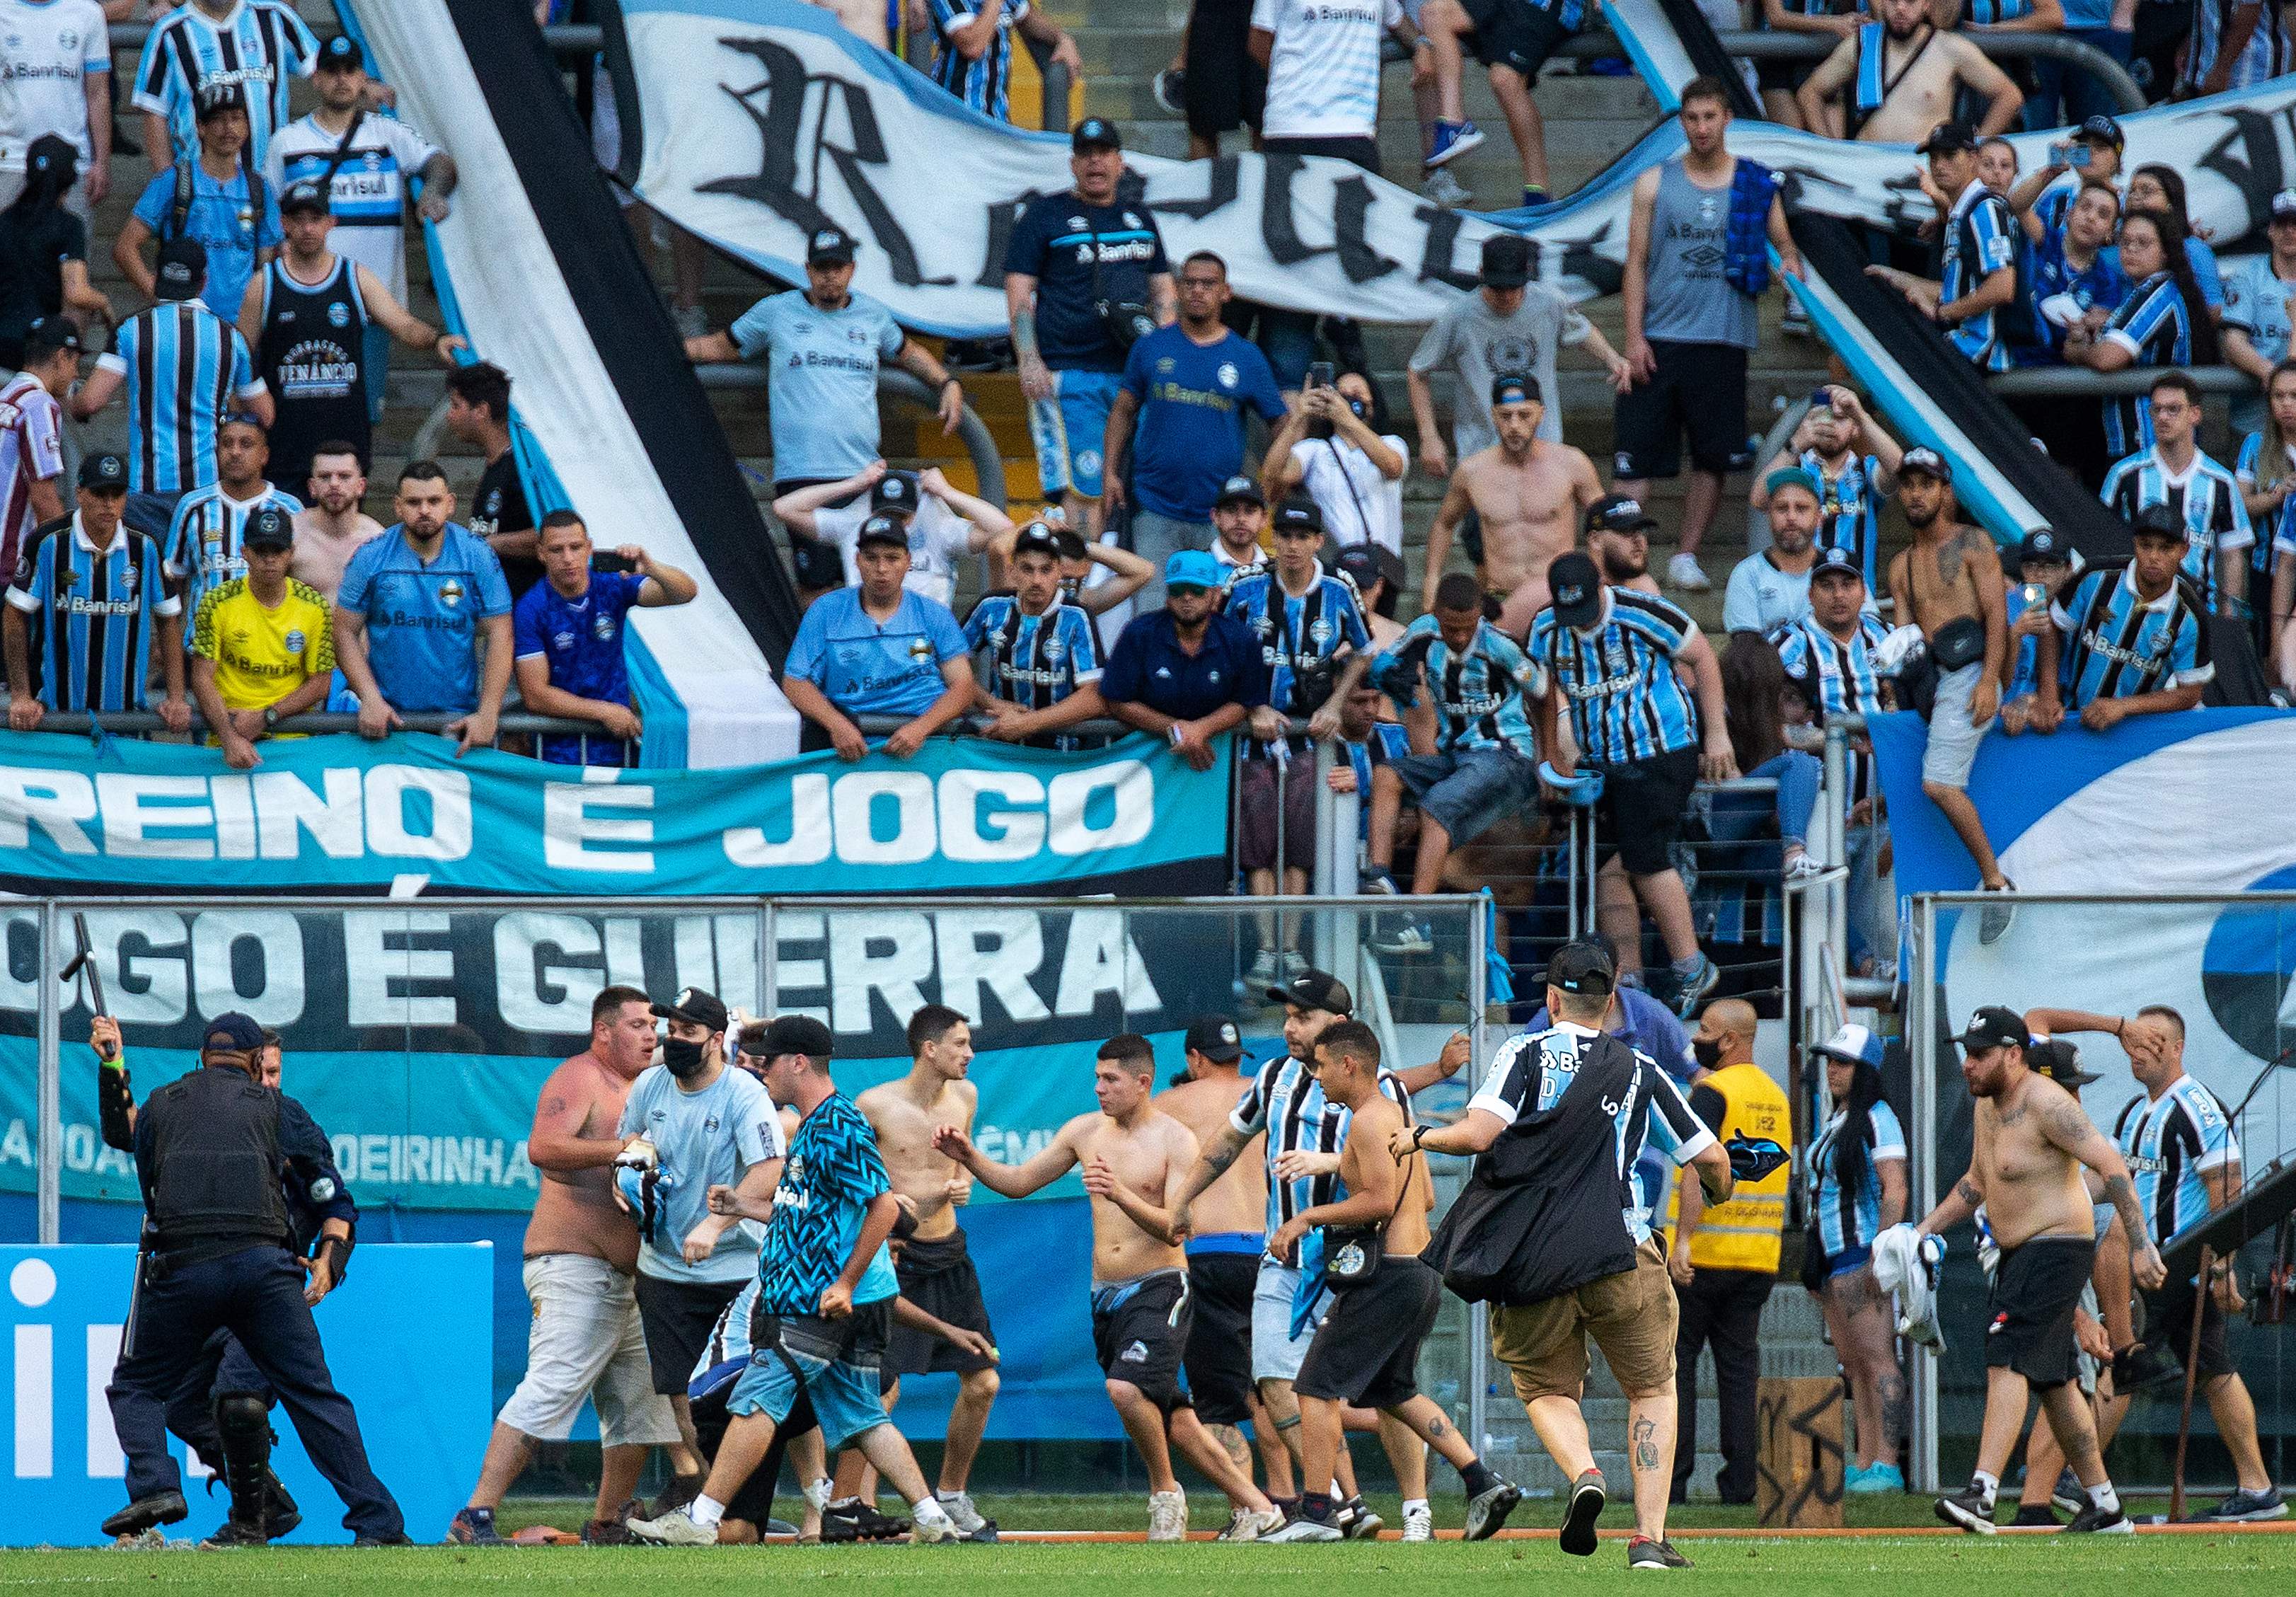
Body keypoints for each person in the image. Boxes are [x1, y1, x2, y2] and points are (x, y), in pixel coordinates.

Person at [1414, 938, 1734, 1569]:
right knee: (1651, 1389)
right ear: (1611, 999)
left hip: (1532, 1263)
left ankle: (1584, 1472)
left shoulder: (1521, 1054)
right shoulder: (1642, 1069)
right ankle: (1647, 1538)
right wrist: (1724, 1188)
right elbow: (1711, 1163)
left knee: (1544, 1388)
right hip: (1622, 1252)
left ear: (1552, 998)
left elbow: (1477, 1134)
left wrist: (1418, 1134)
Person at [624, 1018, 962, 1547]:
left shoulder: (837, 1123)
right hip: (813, 1296)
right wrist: (742, 1205)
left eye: (769, 1061)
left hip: (811, 1300)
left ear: (798, 1061)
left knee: (754, 1400)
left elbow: (882, 1206)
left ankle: (701, 1518)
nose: (760, 1071)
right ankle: (933, 1517)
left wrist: (847, 1282)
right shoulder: (812, 1123)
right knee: (863, 1417)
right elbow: (800, 1211)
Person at [934, 1036, 1283, 1541]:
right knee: (1176, 1418)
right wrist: (968, 1156)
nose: (1099, 1088)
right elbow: (1015, 1182)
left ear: (1142, 1083)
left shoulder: (1175, 1139)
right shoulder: (1084, 1131)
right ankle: (1259, 1507)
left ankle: (1165, 1495)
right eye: (1097, 1078)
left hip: (1162, 1286)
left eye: (1110, 1079)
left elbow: (1176, 1227)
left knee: (1124, 1388)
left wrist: (1118, 1193)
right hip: (1105, 1296)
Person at [99, 1011, 405, 1546]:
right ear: (254, 1061)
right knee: (312, 1397)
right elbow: (329, 1185)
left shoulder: (164, 1105)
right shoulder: (280, 1112)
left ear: (201, 1057)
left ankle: (157, 1485)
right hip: (264, 1272)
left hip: (186, 1267)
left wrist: (113, 1065)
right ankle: (364, 1520)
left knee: (142, 1385)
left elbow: (129, 1139)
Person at [1262, 1021, 1521, 1543]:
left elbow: (1380, 1201)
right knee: (1393, 1390)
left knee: (1313, 1386)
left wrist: (1306, 1217)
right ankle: (1481, 1479)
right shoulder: (1396, 1116)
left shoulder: (1365, 1120)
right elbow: (1422, 1197)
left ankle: (1316, 1511)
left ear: (1348, 1064)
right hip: (1417, 1271)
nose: (1314, 1077)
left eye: (1319, 1066)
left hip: (1389, 1275)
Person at [1170, 971, 1407, 1535]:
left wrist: (1330, 1170)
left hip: (1352, 1260)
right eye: (1287, 1016)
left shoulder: (1381, 1089)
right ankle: (1340, 1505)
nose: (1289, 1027)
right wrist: (1183, 1199)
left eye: (1303, 1016)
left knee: (1380, 1390)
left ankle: (1426, 1496)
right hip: (1282, 1258)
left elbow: (1399, 1174)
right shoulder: (1273, 1075)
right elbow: (1230, 1138)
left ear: (1341, 1028)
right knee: (1276, 1381)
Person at [1913, 1006, 2161, 1534]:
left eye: (1979, 1054)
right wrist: (1921, 1231)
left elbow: (2111, 1165)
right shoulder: (1986, 1105)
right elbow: (1977, 1181)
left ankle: (1981, 1491)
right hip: (2017, 1252)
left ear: (2013, 1054)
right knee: (2055, 1380)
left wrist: (2138, 1243)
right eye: (1966, 1053)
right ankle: (2104, 1503)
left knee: (2005, 1354)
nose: (1968, 1064)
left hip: (2057, 1246)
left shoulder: (2047, 1102)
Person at [450, 988, 683, 1545]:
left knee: (638, 1401)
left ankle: (610, 1519)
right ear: (603, 1031)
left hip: (630, 1278)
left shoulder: (650, 1088)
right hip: (573, 1266)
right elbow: (544, 1147)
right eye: (636, 1025)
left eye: (654, 1025)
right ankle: (475, 1514)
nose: (651, 1034)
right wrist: (619, 1149)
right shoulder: (581, 1077)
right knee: (550, 1386)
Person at [2087, 1003, 2288, 1521]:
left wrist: (2220, 1268)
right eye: (2133, 1040)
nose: (2139, 1050)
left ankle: (2077, 1479)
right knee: (2214, 1370)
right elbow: (2105, 1180)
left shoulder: (2197, 1106)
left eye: (2152, 1041)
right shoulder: (2134, 1111)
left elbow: (2228, 1192)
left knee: (2120, 1358)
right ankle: (2258, 1488)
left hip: (2174, 1265)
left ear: (2177, 1047)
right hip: (2148, 1267)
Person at [688, 226, 963, 599]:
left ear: (851, 269)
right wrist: (654, 341)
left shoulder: (873, 315)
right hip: (803, 474)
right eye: (821, 267)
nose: (829, 275)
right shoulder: (776, 311)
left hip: (863, 475)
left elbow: (909, 353)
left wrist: (946, 381)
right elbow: (718, 347)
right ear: (807, 269)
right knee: (815, 585)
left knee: (870, 577)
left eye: (837, 266)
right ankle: (821, 658)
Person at [1528, 538, 1736, 1016]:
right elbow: (1538, 690)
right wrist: (1549, 758)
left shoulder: (1641, 611)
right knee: (1609, 871)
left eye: (1585, 607)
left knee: (1643, 857)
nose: (1579, 620)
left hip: (1661, 748)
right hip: (1603, 761)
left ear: (1601, 586)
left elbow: (1702, 656)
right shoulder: (1545, 628)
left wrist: (1717, 734)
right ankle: (1633, 980)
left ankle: (1691, 967)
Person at [1616, 79, 1801, 593]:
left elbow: (1785, 246)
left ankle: (1685, 554)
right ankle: (1617, 554)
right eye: (1691, 118)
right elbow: (1632, 263)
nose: (1700, 128)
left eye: (1709, 117)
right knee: (1635, 454)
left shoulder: (1754, 184)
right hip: (1659, 335)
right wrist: (1633, 337)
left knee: (1711, 456)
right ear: (1681, 122)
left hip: (1722, 336)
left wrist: (1788, 266)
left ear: (1726, 119)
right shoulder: (1654, 182)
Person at [618, 988, 783, 1490]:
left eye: (687, 1032)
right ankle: (714, 1506)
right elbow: (629, 1144)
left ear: (715, 1040)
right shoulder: (650, 1084)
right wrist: (625, 1181)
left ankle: (813, 1504)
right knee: (681, 1396)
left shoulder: (743, 1092)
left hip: (738, 1271)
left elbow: (769, 1166)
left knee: (756, 1391)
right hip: (664, 1269)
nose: (673, 1041)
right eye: (670, 1030)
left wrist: (715, 1224)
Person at [855, 1006, 1003, 1540]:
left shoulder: (965, 1096)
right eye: (961, 1043)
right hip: (895, 1259)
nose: (969, 1053)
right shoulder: (873, 1105)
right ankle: (860, 1507)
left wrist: (959, 1181)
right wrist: (889, 1229)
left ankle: (952, 1494)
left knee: (983, 1378)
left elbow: (955, 1163)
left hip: (950, 1253)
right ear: (929, 1048)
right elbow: (858, 1189)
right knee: (881, 1389)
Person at [267, 35, 457, 427]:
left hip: (375, 308)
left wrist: (432, 193)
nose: (341, 80)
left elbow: (439, 162)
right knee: (301, 418)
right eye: (331, 71)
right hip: (305, 304)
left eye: (350, 71)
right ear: (316, 78)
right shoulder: (286, 142)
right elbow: (267, 215)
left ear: (362, 78)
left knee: (362, 419)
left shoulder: (389, 135)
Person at [1003, 118, 1175, 541]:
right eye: (1086, 154)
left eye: (1103, 153)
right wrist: (1028, 359)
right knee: (1084, 492)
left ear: (1120, 162)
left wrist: (1168, 360)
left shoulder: (1140, 217)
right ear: (1073, 164)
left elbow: (1163, 293)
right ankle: (1079, 598)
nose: (1095, 162)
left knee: (1147, 488)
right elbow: (1019, 294)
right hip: (1071, 375)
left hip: (1135, 376)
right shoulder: (1043, 216)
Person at [1243, 0, 1430, 388]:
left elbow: (1398, 22)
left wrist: (1423, 44)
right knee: (1291, 251)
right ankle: (1289, 364)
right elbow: (1259, 43)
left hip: (1354, 133)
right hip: (1291, 129)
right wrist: (1305, 77)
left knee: (1353, 248)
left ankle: (1343, 326)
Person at [239, 179, 466, 496]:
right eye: (298, 220)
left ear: (331, 222)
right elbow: (238, 354)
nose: (307, 229)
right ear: (284, 224)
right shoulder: (264, 284)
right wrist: (249, 401)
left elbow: (402, 324)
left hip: (346, 449)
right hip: (285, 449)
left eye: (315, 219)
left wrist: (436, 339)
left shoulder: (355, 277)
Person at [1227, 497, 1371, 979]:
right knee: (1258, 847)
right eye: (1284, 536)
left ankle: (1290, 949)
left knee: (1300, 847)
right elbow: (1219, 652)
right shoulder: (1244, 588)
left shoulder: (1337, 589)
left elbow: (1364, 651)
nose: (1291, 546)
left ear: (1317, 541)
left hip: (1309, 737)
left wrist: (1334, 705)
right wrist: (1251, 706)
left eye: (1301, 537)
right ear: (1274, 538)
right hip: (1254, 737)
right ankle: (1266, 951)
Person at [1367, 570, 1542, 952]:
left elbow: (1544, 691)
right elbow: (1382, 665)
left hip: (1505, 755)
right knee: (1387, 774)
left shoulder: (1501, 647)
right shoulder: (1423, 632)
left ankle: (1419, 919)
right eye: (1451, 628)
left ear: (1479, 614)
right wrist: (1390, 680)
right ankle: (1378, 876)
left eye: (1466, 628)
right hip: (1457, 755)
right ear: (1436, 614)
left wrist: (1551, 763)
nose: (1459, 637)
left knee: (1436, 807)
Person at [1663, 1000, 1788, 1506]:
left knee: (1677, 1367)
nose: (1698, 1036)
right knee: (1739, 1372)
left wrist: (1683, 1241)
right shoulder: (1776, 1096)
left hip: (1705, 1255)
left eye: (1707, 1030)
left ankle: (1672, 1481)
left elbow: (1698, 1165)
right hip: (1757, 1256)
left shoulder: (1711, 1092)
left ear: (1731, 1041)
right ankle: (1741, 1483)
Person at [1104, 250, 1286, 596]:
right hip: (1155, 505)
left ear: (1225, 293)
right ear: (1177, 288)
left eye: (1208, 284)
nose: (1198, 291)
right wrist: (1110, 472)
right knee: (1155, 612)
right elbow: (1123, 410)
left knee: (1222, 614)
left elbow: (1281, 421)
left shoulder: (1245, 356)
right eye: (1190, 283)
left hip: (1221, 515)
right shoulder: (1151, 348)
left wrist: (1276, 472)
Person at [1884, 447, 2014, 938]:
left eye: (1926, 484)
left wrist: (1988, 680)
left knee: (1939, 783)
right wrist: (1896, 692)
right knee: (1923, 779)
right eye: (1908, 484)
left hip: (1970, 668)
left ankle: (1996, 881)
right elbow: (1902, 640)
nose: (1915, 494)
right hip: (1929, 677)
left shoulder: (1974, 542)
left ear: (1945, 491)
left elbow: (1997, 615)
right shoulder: (1901, 565)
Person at [70, 237, 274, 541]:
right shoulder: (231, 338)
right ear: (203, 282)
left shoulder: (131, 330)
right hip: (208, 488)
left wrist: (69, 397)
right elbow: (265, 415)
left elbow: (90, 402)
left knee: (155, 584)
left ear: (156, 277)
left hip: (148, 489)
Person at [1151, 1018, 1281, 1494]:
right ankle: (1286, 1498)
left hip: (1205, 1255)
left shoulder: (1166, 1106)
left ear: (1194, 1060)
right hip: (1266, 1253)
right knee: (1269, 1391)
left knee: (1219, 1407)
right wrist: (1437, 1069)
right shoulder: (1270, 1092)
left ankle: (1247, 1510)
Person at [332, 461, 514, 755]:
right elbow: (343, 630)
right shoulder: (371, 556)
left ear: (451, 504)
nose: (425, 510)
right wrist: (369, 698)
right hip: (387, 722)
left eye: (434, 501)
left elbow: (501, 633)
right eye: (414, 502)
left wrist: (489, 711)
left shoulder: (477, 555)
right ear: (398, 506)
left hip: (455, 723)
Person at [1407, 231, 1630, 466]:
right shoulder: (1458, 316)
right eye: (1498, 288)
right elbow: (1417, 371)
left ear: (1528, 275)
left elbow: (1582, 332)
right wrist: (1429, 437)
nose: (1506, 296)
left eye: (1513, 288)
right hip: (1483, 451)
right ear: (1482, 274)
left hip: (1543, 446)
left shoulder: (1549, 302)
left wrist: (1612, 358)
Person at [4, 452, 190, 732]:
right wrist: (21, 694)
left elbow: (168, 618)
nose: (109, 504)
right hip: (54, 716)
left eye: (117, 494)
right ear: (79, 493)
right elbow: (14, 615)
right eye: (99, 493)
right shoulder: (48, 543)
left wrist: (176, 697)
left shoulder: (145, 546)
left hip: (127, 719)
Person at [1774, 548, 1896, 967]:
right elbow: (1767, 723)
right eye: (1827, 585)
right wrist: (1834, 740)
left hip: (1881, 809)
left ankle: (1877, 985)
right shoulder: (1788, 643)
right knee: (1823, 911)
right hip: (1823, 810)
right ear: (1810, 592)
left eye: (1848, 584)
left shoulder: (1888, 639)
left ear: (1864, 592)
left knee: (1879, 915)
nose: (1838, 595)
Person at [1803, 1024, 1909, 1492]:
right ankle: (1866, 1459)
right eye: (1829, 1060)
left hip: (1860, 1251)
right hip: (1832, 1257)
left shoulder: (1877, 1116)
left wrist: (1880, 1254)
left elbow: (1895, 1188)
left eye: (1841, 1062)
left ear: (1864, 1071)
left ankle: (1885, 1462)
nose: (1831, 1069)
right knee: (1854, 1363)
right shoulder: (1838, 1118)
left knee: (1877, 1358)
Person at [1420, 372, 1602, 636]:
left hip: (1557, 596)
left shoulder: (1571, 463)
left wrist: (1599, 577)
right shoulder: (1473, 471)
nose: (1514, 425)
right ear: (1494, 416)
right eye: (1506, 416)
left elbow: (1605, 525)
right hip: (1501, 597)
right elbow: (1444, 523)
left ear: (1541, 413)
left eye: (1524, 415)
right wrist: (1431, 580)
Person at [782, 514, 975, 760]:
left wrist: (921, 728)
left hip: (927, 745)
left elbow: (963, 685)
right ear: (857, 561)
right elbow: (795, 681)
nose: (881, 569)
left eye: (892, 558)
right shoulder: (826, 611)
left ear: (908, 562)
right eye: (871, 558)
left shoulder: (933, 614)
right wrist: (836, 724)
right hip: (851, 746)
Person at [512, 511, 698, 765]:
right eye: (557, 550)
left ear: (589, 548)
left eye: (575, 547)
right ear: (541, 553)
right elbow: (535, 695)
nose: (568, 558)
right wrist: (603, 712)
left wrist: (651, 567)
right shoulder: (530, 609)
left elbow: (685, 593)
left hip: (617, 747)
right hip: (558, 756)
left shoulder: (612, 586)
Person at [2034, 507, 2213, 730]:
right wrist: (2049, 694)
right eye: (2146, 546)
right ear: (2135, 544)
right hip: (2070, 721)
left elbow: (2190, 693)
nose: (2154, 557)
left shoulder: (2190, 616)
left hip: (2134, 735)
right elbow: (2052, 626)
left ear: (2184, 550)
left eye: (2166, 548)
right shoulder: (2095, 578)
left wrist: (2124, 706)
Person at [2064, 208, 2219, 465]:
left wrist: (2078, 353)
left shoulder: (2159, 292)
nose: (2131, 249)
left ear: (2166, 251)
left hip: (2149, 443)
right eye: (2125, 242)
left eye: (2143, 243)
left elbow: (2108, 358)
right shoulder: (2141, 292)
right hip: (2135, 442)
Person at [117, 83, 282, 323]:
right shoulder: (173, 181)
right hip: (185, 323)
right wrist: (160, 296)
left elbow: (267, 264)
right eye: (218, 120)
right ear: (201, 127)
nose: (228, 128)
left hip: (242, 325)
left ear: (247, 127)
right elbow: (125, 247)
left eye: (236, 119)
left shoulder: (259, 188)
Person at [1867, 123, 2020, 375]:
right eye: (1933, 157)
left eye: (1949, 156)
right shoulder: (1961, 213)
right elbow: (1956, 290)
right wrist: (1896, 278)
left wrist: (1942, 313)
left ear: (1973, 159)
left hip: (1976, 351)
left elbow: (2002, 287)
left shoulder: (1985, 209)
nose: (1939, 165)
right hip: (1961, 347)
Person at [1098, 548, 1269, 771]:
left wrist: (1202, 729)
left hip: (1218, 763)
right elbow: (1117, 700)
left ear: (1216, 595)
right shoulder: (1139, 633)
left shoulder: (1240, 639)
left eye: (1197, 590)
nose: (1187, 598)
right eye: (1178, 590)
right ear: (1168, 597)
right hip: (1142, 764)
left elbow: (1246, 701)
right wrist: (1178, 730)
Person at [2099, 371, 2253, 615]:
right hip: (2133, 609)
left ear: (2195, 414)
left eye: (2173, 410)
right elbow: (2103, 543)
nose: (2163, 418)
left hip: (2199, 612)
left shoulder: (2221, 480)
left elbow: (2233, 554)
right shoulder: (2124, 474)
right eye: (2156, 410)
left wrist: (2228, 615)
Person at [188, 504, 333, 766]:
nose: (270, 559)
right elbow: (201, 678)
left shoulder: (314, 606)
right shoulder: (217, 602)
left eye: (277, 550)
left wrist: (267, 716)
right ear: (244, 553)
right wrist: (229, 737)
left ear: (291, 553)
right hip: (226, 742)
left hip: (293, 743)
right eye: (261, 551)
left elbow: (320, 684)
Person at [773, 462, 1009, 613]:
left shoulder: (939, 528)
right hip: (867, 634)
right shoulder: (853, 524)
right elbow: (784, 509)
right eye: (886, 514)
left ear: (915, 510)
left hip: (927, 637)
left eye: (901, 516)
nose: (892, 523)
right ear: (872, 510)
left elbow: (1003, 529)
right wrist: (853, 484)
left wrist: (947, 492)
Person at [1794, 0, 2022, 142]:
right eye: (1894, 1)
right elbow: (1809, 93)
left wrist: (1976, 146)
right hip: (1865, 167)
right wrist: (1830, 147)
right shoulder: (1862, 44)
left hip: (1922, 170)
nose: (1901, 8)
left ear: (1926, 5)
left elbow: (2009, 95)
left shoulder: (1950, 47)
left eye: (1910, 1)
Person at [1749, 384, 1902, 594]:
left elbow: (1900, 470)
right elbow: (1759, 499)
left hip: (1859, 604)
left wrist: (1860, 414)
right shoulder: (1795, 469)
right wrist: (1797, 442)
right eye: (1823, 416)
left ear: (1856, 428)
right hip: (1804, 601)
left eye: (1840, 419)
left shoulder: (1867, 470)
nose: (1830, 425)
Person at [133, 0, 318, 172]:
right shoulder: (170, 31)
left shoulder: (275, 16)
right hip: (201, 189)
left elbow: (325, 75)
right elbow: (154, 111)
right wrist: (167, 184)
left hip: (272, 182)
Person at [966, 521, 1107, 746]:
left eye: (1046, 570)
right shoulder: (990, 607)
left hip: (1062, 753)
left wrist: (1028, 724)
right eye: (1027, 569)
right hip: (999, 749)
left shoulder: (1077, 616)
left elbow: (1093, 696)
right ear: (1012, 571)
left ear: (1060, 571)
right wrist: (991, 703)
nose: (1037, 581)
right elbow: (948, 667)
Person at [162, 410, 304, 616]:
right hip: (204, 644)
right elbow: (175, 581)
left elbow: (299, 579)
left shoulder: (290, 509)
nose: (235, 452)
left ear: (264, 455)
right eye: (227, 444)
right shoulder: (192, 507)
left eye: (246, 444)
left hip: (270, 643)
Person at [1262, 370, 1406, 558]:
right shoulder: (1315, 450)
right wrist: (1299, 416)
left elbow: (1393, 467)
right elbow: (1272, 475)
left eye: (1357, 393)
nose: (1348, 400)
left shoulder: (1392, 443)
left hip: (1382, 568)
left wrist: (1345, 417)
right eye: (1341, 394)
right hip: (1335, 566)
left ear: (1373, 403)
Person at [0, 137, 110, 368]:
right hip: (40, 348)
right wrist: (104, 304)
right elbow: (77, 293)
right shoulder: (69, 226)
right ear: (70, 180)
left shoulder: (5, 221)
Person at [0, 0, 108, 219]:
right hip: (10, 160)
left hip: (72, 164)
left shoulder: (88, 13)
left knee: (72, 251)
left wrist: (102, 162)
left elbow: (97, 94)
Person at [445, 362, 538, 596]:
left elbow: (549, 534)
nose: (449, 415)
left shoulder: (523, 469)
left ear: (481, 411)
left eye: (456, 406)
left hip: (524, 607)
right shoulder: (494, 465)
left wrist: (492, 544)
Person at [0, 316, 75, 574]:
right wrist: (69, 556)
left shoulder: (6, 397)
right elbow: (43, 496)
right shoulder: (39, 405)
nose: (76, 373)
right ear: (62, 356)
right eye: (75, 362)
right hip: (9, 562)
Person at [926, 0, 1082, 122]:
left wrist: (1063, 39)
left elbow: (1031, 18)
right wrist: (994, 4)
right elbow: (972, 47)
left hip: (996, 116)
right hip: (953, 114)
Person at [2221, 190, 2296, 439]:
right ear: (2270, 230)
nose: (2290, 231)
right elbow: (2233, 342)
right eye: (2282, 223)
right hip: (2252, 423)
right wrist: (2271, 374)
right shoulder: (2248, 277)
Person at [2237, 358, 2296, 669]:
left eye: (2294, 396)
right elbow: (2240, 506)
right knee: (2269, 663)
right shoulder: (2255, 445)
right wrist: (2278, 495)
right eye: (2279, 396)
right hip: (2265, 569)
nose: (2286, 404)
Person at [1998, 524, 2074, 737]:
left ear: (2069, 569)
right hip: (2001, 715)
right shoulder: (2005, 604)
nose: (2040, 574)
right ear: (2022, 569)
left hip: (2055, 721)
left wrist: (2033, 699)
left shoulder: (2076, 609)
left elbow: (2066, 685)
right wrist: (2015, 634)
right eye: (2031, 565)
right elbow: (1988, 675)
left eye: (2050, 565)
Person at [1725, 466, 1820, 635]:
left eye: (1801, 508)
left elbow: (1867, 633)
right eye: (1782, 508)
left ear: (1819, 517)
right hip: (1766, 661)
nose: (1791, 517)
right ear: (1769, 516)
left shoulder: (1841, 569)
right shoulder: (1747, 574)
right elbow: (1746, 650)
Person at [289, 441, 383, 600]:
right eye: (325, 477)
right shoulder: (292, 534)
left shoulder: (377, 539)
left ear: (361, 486)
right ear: (312, 487)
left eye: (344, 476)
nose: (334, 484)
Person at [1208, 474, 1269, 581]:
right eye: (1231, 510)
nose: (1241, 519)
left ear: (1264, 519)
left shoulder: (1274, 570)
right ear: (1216, 516)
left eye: (1249, 511)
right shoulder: (1198, 568)